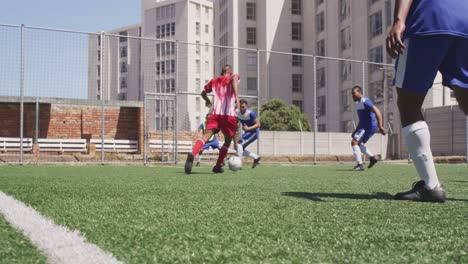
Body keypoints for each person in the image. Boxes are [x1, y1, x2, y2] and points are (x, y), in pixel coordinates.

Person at [387, 0, 468, 202]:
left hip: (428, 21)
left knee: (409, 103)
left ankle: (431, 186)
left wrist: (399, 20)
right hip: (465, 23)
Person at [184, 64, 240, 174]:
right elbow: (234, 78)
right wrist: (237, 97)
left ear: (221, 73)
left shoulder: (214, 81)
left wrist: (207, 101)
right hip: (229, 115)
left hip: (215, 114)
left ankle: (193, 153)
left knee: (205, 136)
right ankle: (218, 166)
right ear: (230, 71)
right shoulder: (233, 76)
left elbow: (203, 93)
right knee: (228, 140)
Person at [350, 86, 386, 171]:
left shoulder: (365, 101)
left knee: (354, 142)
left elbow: (377, 112)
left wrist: (380, 126)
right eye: (352, 94)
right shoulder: (358, 103)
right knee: (358, 143)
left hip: (368, 126)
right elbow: (362, 119)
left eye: (354, 93)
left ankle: (360, 165)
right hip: (364, 126)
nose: (352, 96)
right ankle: (372, 158)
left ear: (360, 92)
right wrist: (356, 130)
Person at [235, 99, 261, 168]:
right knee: (239, 149)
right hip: (248, 132)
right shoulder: (237, 112)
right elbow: (237, 120)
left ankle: (239, 164)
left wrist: (248, 128)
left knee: (239, 144)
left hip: (254, 132)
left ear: (247, 106)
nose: (242, 108)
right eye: (240, 106)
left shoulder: (251, 113)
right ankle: (256, 157)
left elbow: (258, 124)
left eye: (243, 107)